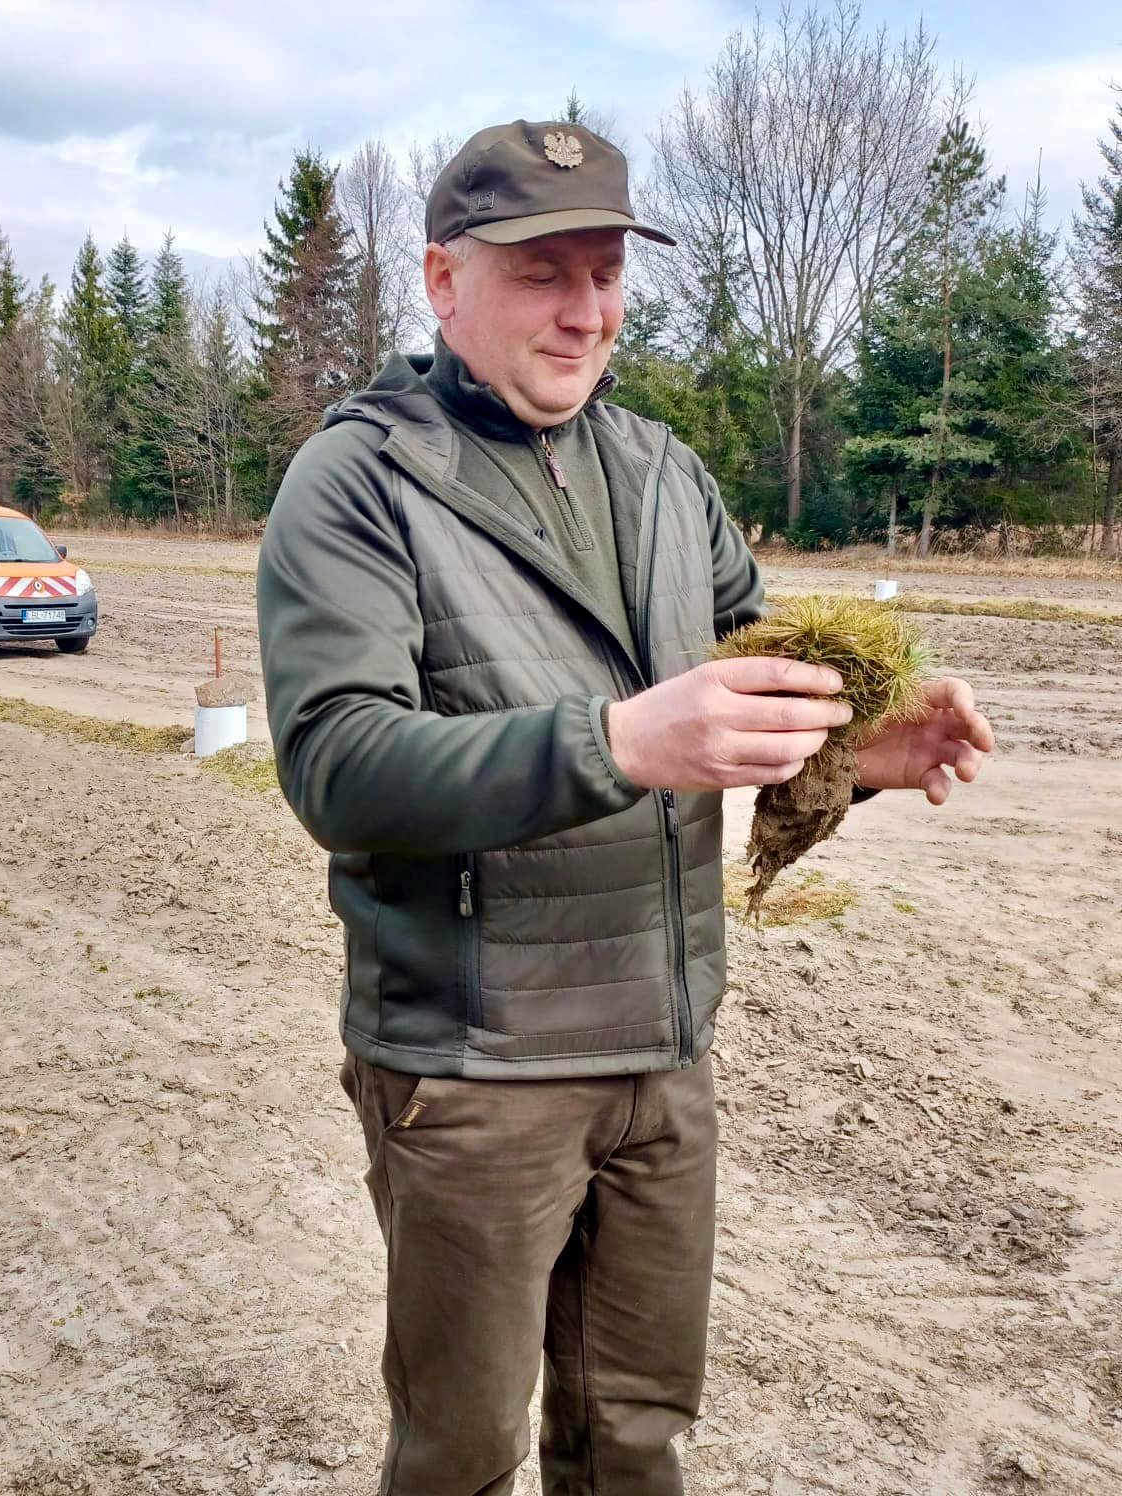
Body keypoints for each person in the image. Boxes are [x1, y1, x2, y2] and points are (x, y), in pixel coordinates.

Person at [256, 120, 993, 1496]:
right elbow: (338, 765)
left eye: (604, 272)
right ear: (441, 279)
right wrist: (615, 741)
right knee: (462, 1453)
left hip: (662, 1052)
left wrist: (851, 748)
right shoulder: (355, 483)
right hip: (473, 1075)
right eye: (543, 273)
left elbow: (742, 683)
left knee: (636, 1435)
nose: (585, 311)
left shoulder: (664, 472)